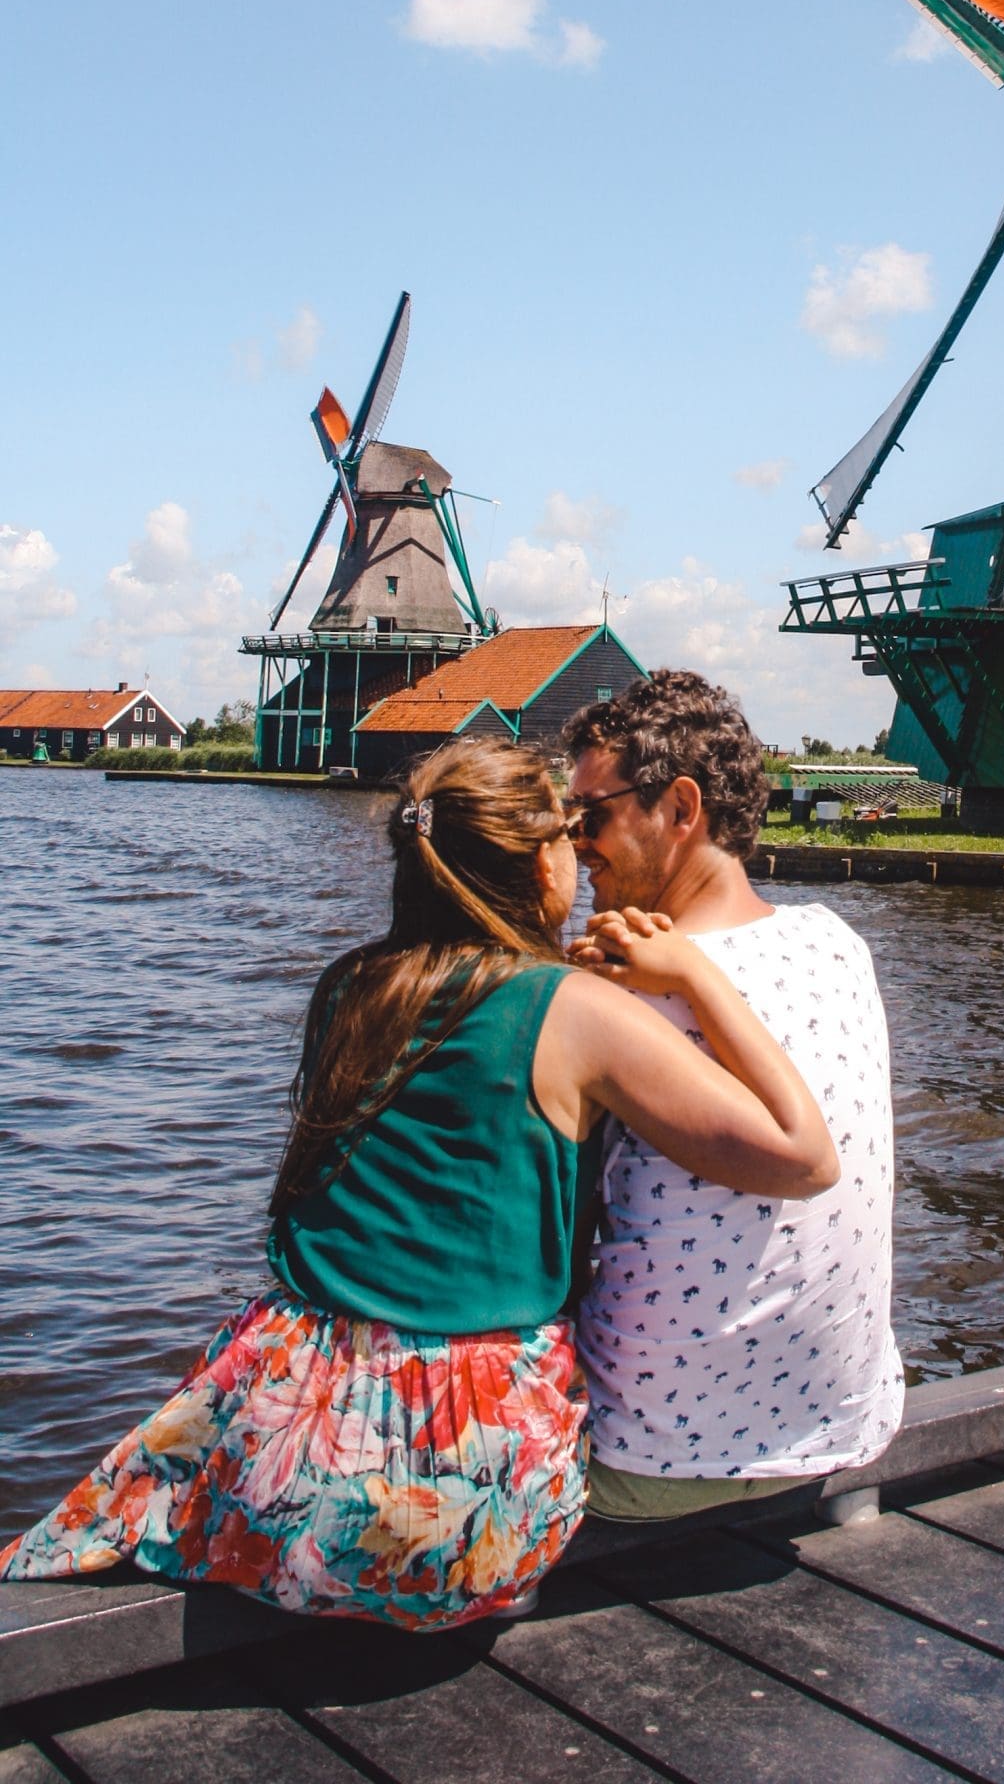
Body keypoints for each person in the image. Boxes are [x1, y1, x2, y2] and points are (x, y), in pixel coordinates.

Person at [0, 738, 835, 1628]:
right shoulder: (578, 1008)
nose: (582, 854)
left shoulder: (349, 987)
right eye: (568, 832)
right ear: (535, 865)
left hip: (280, 1432)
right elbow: (801, 1155)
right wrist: (698, 978)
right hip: (460, 1490)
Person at [563, 669, 905, 1521]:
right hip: (846, 1425)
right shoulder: (838, 943)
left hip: (655, 1461)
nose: (576, 844)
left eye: (592, 815)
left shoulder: (624, 995)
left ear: (681, 809)